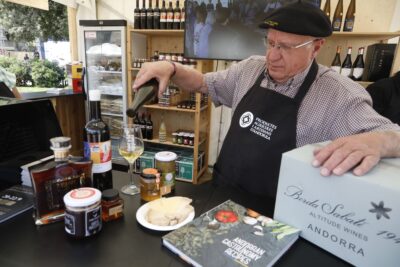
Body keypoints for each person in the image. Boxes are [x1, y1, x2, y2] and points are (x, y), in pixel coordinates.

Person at [133, 2, 400, 212]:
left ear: (316, 48)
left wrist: (378, 142)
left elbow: (394, 137)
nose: (272, 56)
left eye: (285, 47)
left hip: (279, 214)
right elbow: (205, 83)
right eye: (270, 42)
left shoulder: (338, 95)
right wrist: (172, 68)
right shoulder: (250, 68)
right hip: (221, 198)